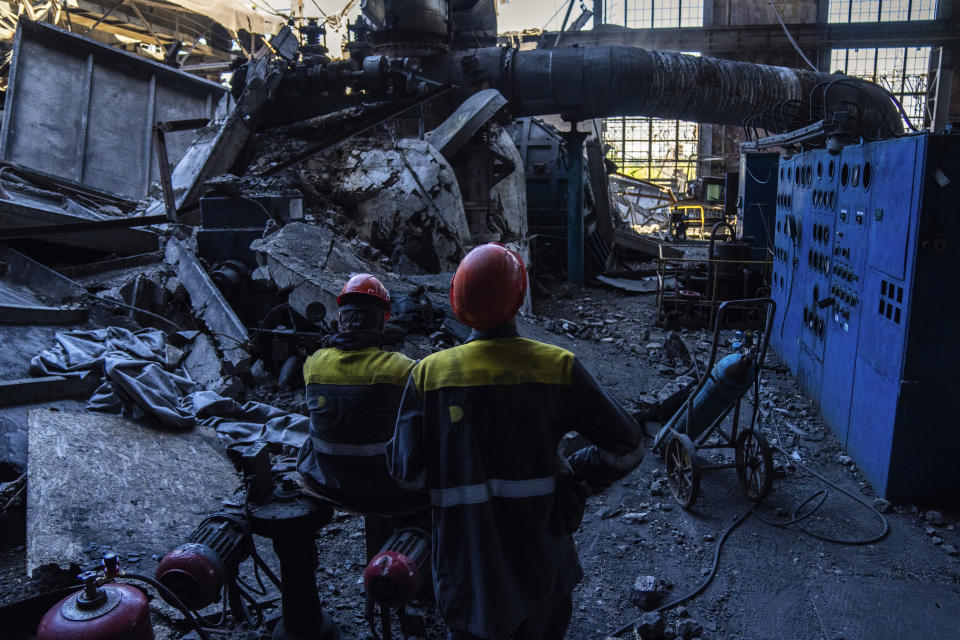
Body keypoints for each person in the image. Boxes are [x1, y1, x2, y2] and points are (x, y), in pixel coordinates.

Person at [386, 244, 644, 640]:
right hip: (540, 565)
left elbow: (407, 476)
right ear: (520, 298)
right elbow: (628, 447)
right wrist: (578, 475)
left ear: (456, 300)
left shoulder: (427, 376)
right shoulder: (557, 366)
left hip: (463, 569)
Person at [296, 273, 425, 557]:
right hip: (386, 486)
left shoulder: (314, 364)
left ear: (341, 320)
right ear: (384, 319)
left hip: (327, 479)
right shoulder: (402, 369)